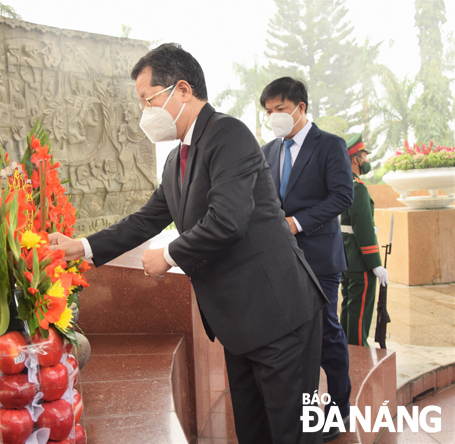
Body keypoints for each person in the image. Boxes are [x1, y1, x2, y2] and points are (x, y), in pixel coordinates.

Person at [50, 43, 327, 444]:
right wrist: (82, 247)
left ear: (182, 90)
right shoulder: (177, 158)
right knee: (253, 431)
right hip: (239, 323)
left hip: (278, 313)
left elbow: (228, 220)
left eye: (149, 100)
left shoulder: (228, 135)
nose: (146, 112)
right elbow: (146, 218)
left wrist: (169, 255)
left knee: (291, 433)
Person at [260, 77, 354, 442]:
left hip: (319, 258)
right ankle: (304, 412)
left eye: (279, 110)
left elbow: (342, 196)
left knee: (326, 333)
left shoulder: (329, 145)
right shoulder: (268, 151)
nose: (273, 117)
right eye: (268, 111)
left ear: (300, 107)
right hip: (280, 263)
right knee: (293, 340)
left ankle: (340, 410)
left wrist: (296, 223)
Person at [340, 134, 389, 347]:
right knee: (359, 312)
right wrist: (375, 264)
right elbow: (364, 229)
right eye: (364, 156)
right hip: (360, 262)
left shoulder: (340, 184)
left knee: (349, 308)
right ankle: (358, 353)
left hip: (344, 257)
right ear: (355, 159)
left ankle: (344, 349)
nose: (366, 160)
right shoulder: (357, 188)